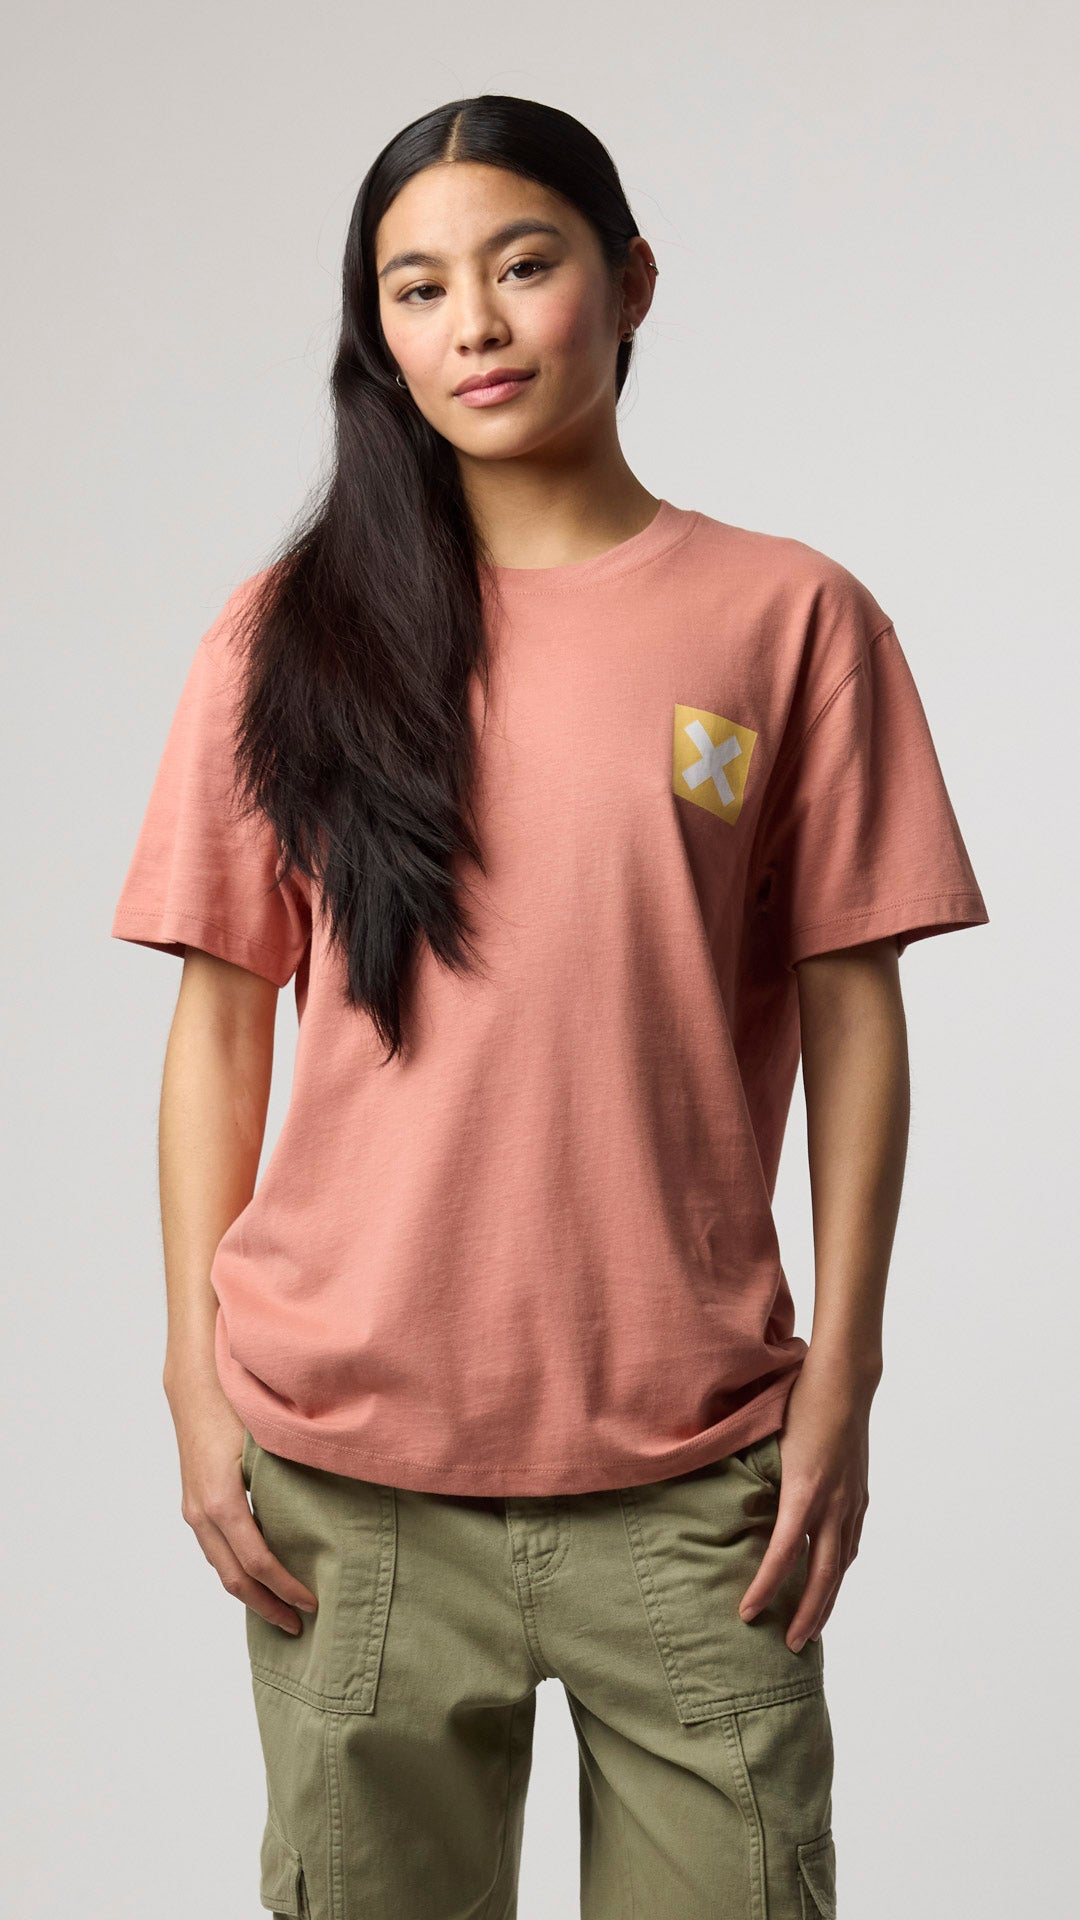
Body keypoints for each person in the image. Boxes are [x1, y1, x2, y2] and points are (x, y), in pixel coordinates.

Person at [111, 94, 989, 1920]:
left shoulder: (788, 617)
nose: (478, 326)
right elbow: (221, 1023)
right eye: (418, 289)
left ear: (631, 280)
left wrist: (846, 1377)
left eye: (524, 265)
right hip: (348, 1482)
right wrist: (193, 1380)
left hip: (690, 1471)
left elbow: (856, 1017)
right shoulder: (286, 638)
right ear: (379, 333)